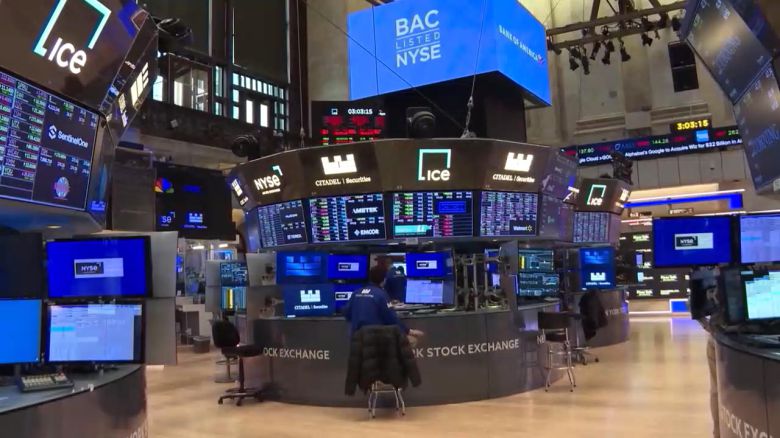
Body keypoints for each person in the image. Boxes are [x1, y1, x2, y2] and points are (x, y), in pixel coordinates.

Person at [344, 264, 423, 342]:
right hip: (376, 339)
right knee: (412, 340)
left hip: (356, 339)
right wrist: (409, 331)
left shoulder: (356, 293)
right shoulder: (382, 295)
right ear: (384, 280)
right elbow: (391, 318)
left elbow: (346, 312)